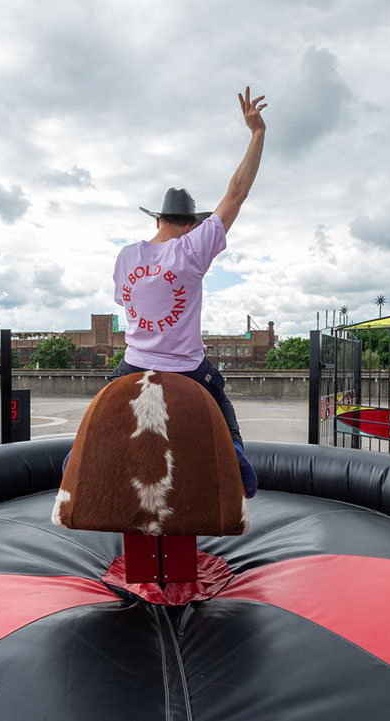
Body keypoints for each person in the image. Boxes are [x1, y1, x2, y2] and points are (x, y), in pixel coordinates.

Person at [109, 86, 268, 498]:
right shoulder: (192, 250)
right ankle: (236, 459)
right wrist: (256, 134)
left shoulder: (126, 256)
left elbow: (127, 306)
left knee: (101, 411)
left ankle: (78, 457)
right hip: (186, 368)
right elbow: (237, 193)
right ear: (190, 224)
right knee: (221, 401)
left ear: (159, 218)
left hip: (133, 364)